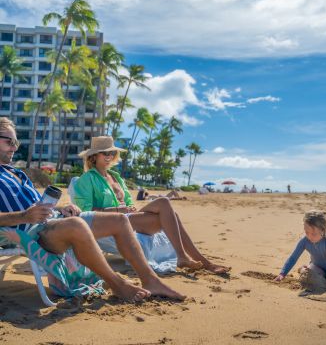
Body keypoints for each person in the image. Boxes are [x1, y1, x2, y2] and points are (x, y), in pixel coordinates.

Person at [0, 118, 184, 302]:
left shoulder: (16, 172)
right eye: (9, 141)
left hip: (51, 220)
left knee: (119, 220)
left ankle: (150, 280)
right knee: (76, 224)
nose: (14, 147)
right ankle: (117, 284)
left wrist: (62, 208)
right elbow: (27, 213)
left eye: (16, 142)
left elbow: (36, 204)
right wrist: (24, 216)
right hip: (28, 232)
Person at [74, 136, 230, 275]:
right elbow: (86, 214)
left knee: (170, 213)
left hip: (128, 218)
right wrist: (116, 210)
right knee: (164, 204)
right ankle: (192, 259)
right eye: (105, 153)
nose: (109, 156)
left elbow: (128, 202)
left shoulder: (116, 177)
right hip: (111, 223)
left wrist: (129, 207)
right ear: (94, 156)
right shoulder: (86, 179)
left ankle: (193, 259)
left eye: (112, 153)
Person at [274, 210, 326, 292]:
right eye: (306, 232)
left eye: (313, 234)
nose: (309, 236)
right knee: (309, 275)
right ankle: (303, 269)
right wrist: (282, 274)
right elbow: (293, 258)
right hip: (317, 267)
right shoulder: (304, 241)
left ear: (323, 230)